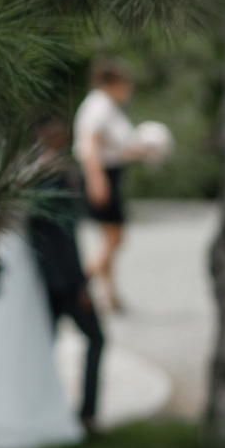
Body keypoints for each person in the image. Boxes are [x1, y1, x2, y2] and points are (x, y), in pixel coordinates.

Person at [29, 114, 105, 435]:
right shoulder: (53, 174)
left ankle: (44, 408)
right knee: (97, 339)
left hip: (41, 279)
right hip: (62, 281)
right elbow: (63, 233)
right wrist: (80, 283)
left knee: (44, 346)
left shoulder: (28, 172)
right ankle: (86, 414)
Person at [73, 57, 145, 313]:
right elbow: (89, 145)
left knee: (108, 237)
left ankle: (109, 296)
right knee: (115, 238)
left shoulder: (107, 107)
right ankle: (80, 282)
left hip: (109, 173)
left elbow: (114, 147)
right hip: (101, 175)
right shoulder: (99, 106)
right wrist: (97, 180)